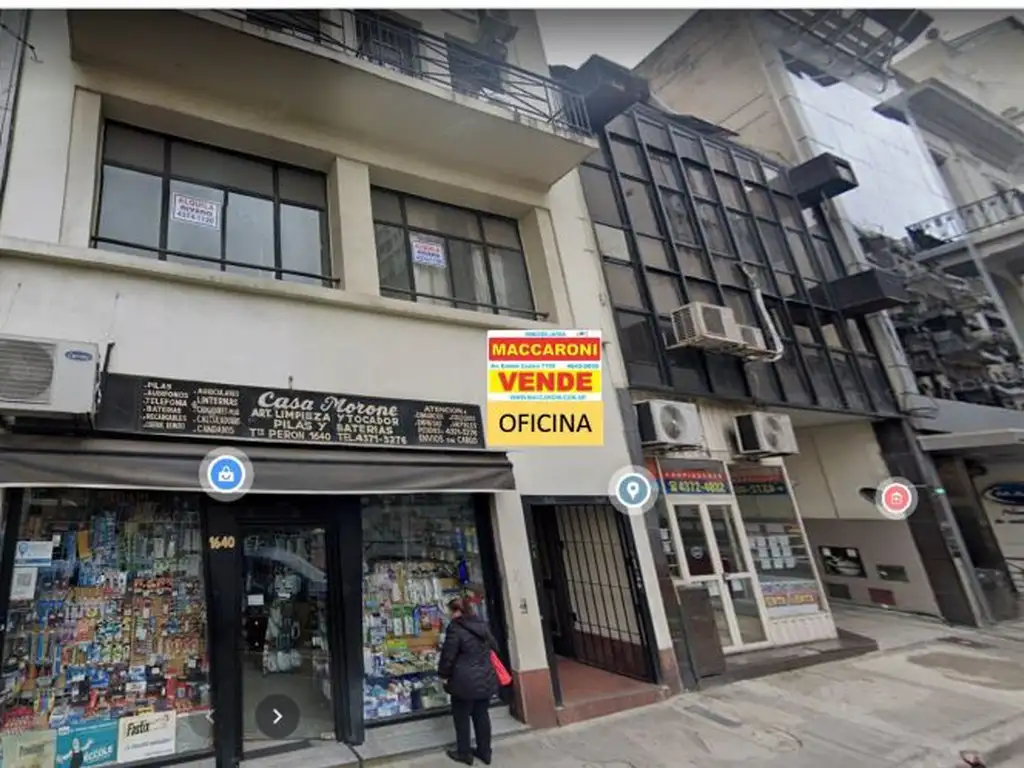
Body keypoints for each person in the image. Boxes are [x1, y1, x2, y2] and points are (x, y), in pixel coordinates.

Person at [438, 597, 498, 765]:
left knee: (461, 717)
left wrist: (443, 675)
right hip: (484, 677)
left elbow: (448, 656)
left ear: (458, 611)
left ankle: (464, 752)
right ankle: (485, 752)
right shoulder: (482, 624)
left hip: (463, 680)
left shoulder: (455, 628)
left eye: (451, 611)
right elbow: (495, 647)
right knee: (482, 714)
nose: (450, 615)